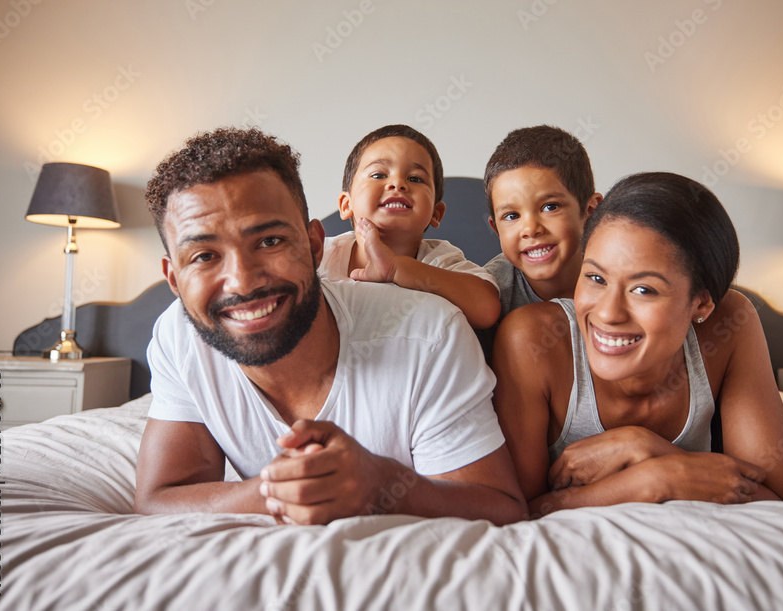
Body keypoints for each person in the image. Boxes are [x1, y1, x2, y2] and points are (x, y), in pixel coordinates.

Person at [134, 127, 526, 526]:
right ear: (174, 279)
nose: (243, 281)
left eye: (269, 241)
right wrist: (273, 490)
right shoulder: (177, 335)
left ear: (313, 244)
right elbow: (159, 498)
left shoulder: (430, 328)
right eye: (203, 256)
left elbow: (501, 507)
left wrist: (382, 485)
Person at [491, 172, 783, 516]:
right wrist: (652, 481)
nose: (608, 313)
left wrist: (645, 448)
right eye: (596, 278)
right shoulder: (531, 341)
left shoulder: (729, 323)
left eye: (644, 289)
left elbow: (780, 503)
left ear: (701, 303)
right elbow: (518, 511)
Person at [321, 124, 500, 329]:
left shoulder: (438, 261)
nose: (397, 183)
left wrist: (398, 269)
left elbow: (486, 309)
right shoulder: (321, 257)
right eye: (379, 175)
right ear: (346, 205)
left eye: (415, 178)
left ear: (436, 213)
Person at [477, 125, 602, 359]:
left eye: (550, 207)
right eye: (512, 216)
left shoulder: (621, 276)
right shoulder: (490, 299)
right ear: (496, 230)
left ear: (591, 211)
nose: (531, 229)